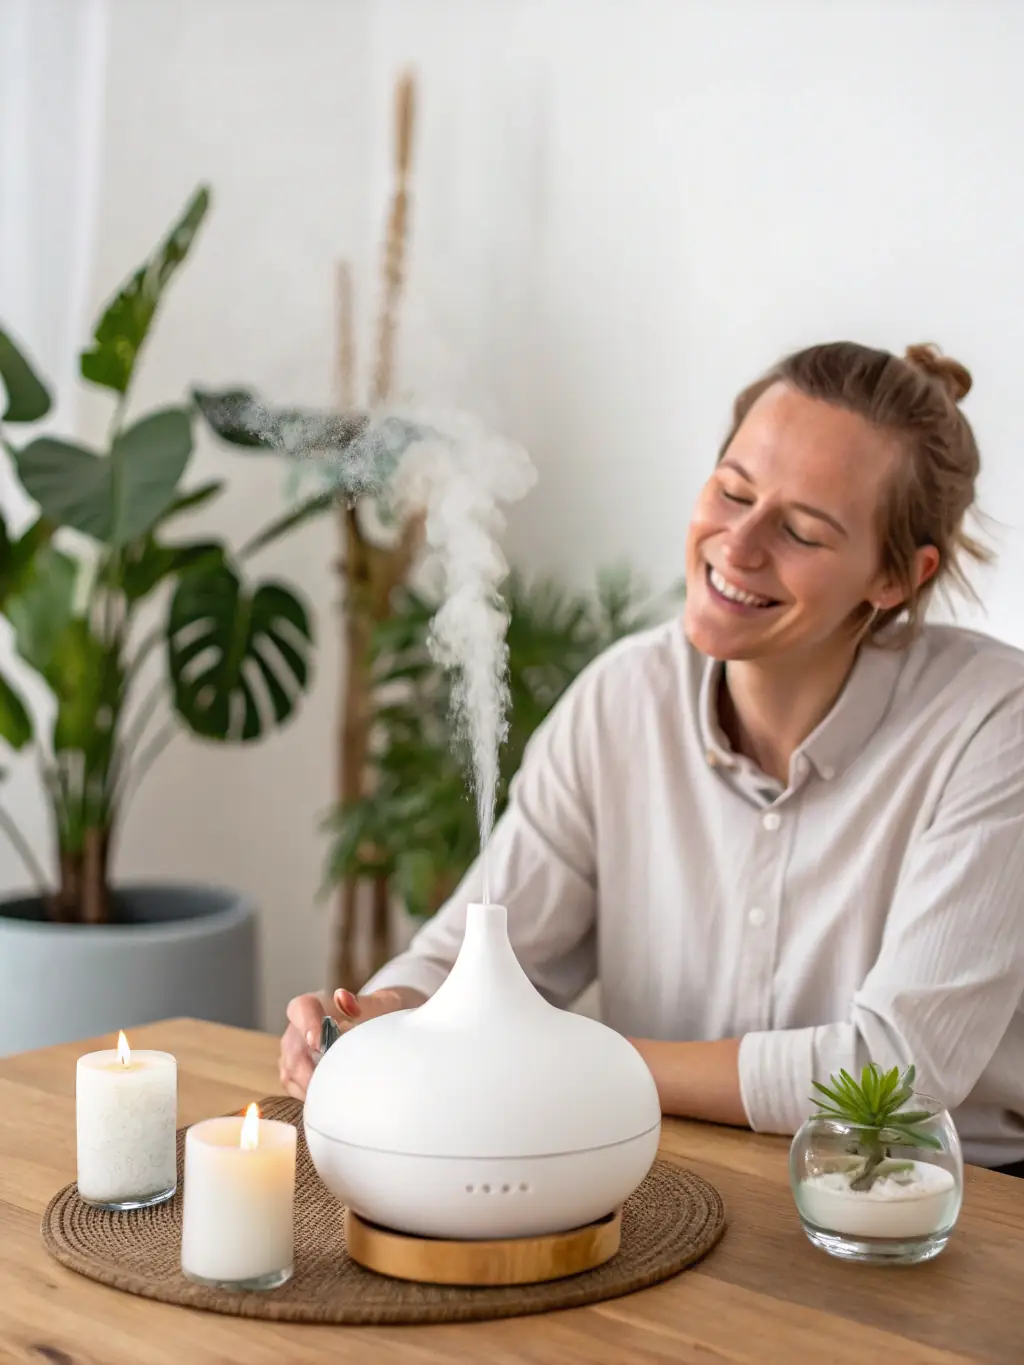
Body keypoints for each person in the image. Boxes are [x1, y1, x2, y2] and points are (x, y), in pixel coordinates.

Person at [280, 340, 1024, 1174]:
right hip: (670, 1176)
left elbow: (898, 1070)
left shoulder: (994, 724)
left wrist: (566, 1060)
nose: (738, 545)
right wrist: (388, 1011)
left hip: (945, 1205)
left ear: (897, 577)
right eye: (733, 491)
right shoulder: (623, 699)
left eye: (802, 531)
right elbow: (475, 954)